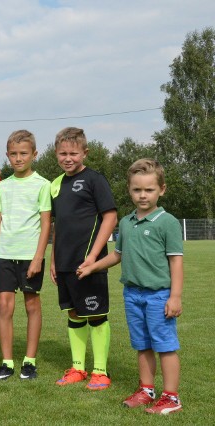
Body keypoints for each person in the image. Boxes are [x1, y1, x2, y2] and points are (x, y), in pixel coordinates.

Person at [78, 159, 183, 414]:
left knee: (165, 345)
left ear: (162, 189)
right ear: (129, 190)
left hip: (159, 295)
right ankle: (147, 390)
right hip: (132, 294)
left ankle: (171, 398)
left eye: (149, 190)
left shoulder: (167, 222)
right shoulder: (125, 222)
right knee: (142, 344)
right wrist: (93, 266)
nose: (143, 195)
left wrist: (175, 296)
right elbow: (117, 255)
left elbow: (176, 262)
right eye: (137, 190)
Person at [50, 127, 117, 390]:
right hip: (65, 264)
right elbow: (58, 225)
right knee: (75, 314)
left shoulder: (94, 180)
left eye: (73, 153)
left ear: (84, 153)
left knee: (96, 315)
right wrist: (54, 260)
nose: (68, 158)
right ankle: (78, 368)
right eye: (63, 153)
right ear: (56, 153)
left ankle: (100, 371)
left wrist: (92, 257)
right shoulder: (56, 184)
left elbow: (110, 217)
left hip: (90, 265)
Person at [0, 130, 51, 381]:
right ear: (7, 155)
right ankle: (6, 362)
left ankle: (30, 361)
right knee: (4, 306)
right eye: (13, 154)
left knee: (32, 304)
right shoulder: (2, 186)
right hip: (4, 254)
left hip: (29, 255)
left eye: (23, 153)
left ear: (34, 154)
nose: (18, 158)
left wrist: (38, 257)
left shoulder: (43, 185)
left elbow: (46, 225)